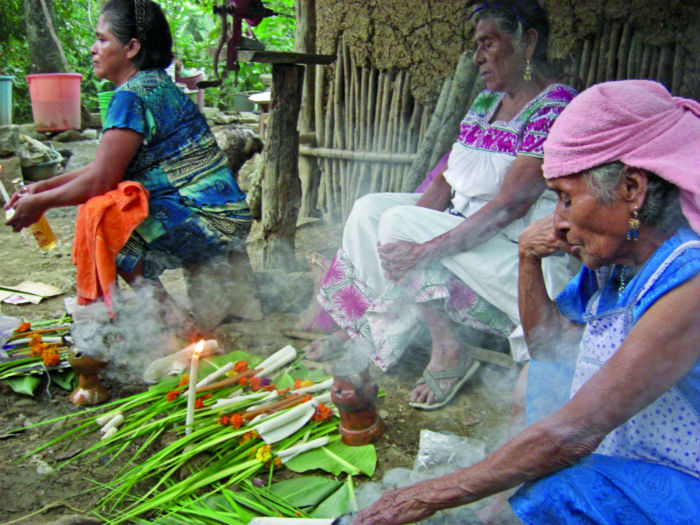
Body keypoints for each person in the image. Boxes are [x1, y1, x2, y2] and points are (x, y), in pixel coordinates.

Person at [350, 79, 700, 525]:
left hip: (683, 474)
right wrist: (526, 258)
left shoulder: (690, 281)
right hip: (626, 450)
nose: (558, 221)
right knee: (537, 378)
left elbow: (576, 432)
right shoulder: (617, 262)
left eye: (567, 199)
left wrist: (423, 497)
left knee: (562, 489)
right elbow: (549, 347)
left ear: (631, 188)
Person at [306, 0, 577, 410]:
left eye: (488, 43)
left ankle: (449, 348)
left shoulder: (554, 108)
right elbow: (447, 179)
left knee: (398, 223)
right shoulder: (487, 103)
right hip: (468, 226)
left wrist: (425, 246)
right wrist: (419, 233)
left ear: (528, 41)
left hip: (514, 246)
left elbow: (510, 206)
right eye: (476, 45)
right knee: (369, 211)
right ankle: (364, 328)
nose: (477, 56)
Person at [4, 0, 256, 330]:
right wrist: (44, 187)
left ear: (131, 47)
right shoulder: (158, 86)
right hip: (228, 214)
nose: (94, 49)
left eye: (102, 39)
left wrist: (39, 204)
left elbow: (100, 181)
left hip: (205, 221)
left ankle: (167, 314)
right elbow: (105, 167)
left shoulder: (130, 97)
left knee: (102, 214)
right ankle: (164, 309)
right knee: (107, 206)